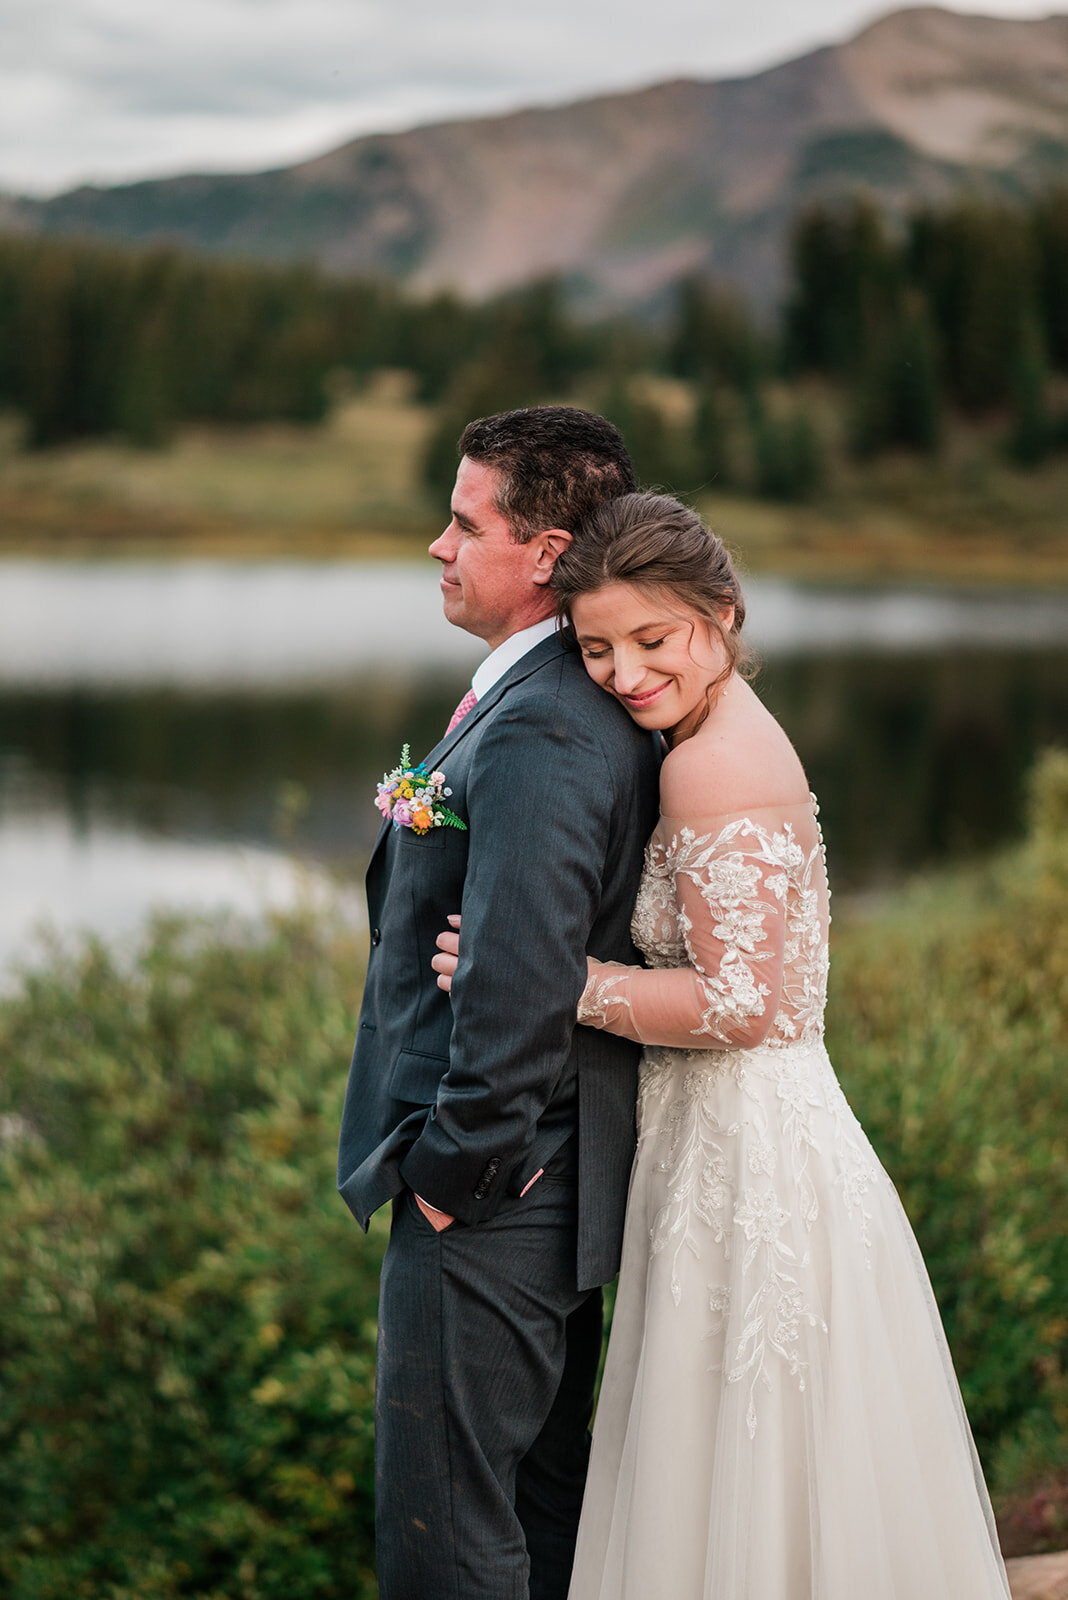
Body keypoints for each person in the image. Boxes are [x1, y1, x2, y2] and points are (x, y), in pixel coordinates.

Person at [436, 492, 1011, 1599]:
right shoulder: (717, 726)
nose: (623, 673)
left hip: (746, 1149)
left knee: (736, 1452)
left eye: (654, 640)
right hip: (738, 1133)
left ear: (723, 612)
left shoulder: (711, 766)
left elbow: (744, 1005)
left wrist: (552, 978)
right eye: (598, 648)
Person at [336, 408, 662, 1600]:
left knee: (448, 1541)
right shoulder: (546, 700)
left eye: (464, 523)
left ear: (543, 552)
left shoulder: (541, 730)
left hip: (494, 1204)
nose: (438, 546)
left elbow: (523, 984)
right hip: (535, 1191)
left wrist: (446, 1182)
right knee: (531, 1509)